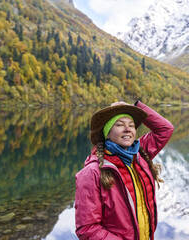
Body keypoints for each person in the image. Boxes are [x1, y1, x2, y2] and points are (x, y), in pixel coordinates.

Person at [74, 100, 174, 240]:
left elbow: (165, 129)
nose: (127, 129)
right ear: (107, 133)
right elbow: (87, 229)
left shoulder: (140, 155)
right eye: (120, 125)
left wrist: (136, 107)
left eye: (131, 125)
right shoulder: (92, 173)